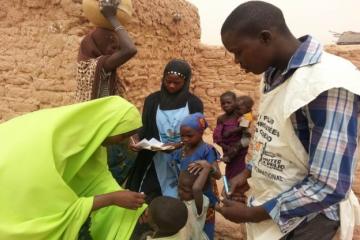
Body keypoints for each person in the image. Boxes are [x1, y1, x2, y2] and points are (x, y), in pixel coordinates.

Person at [216, 1, 360, 240]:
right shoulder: (273, 74)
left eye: (238, 51)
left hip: (309, 222)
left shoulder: (327, 83)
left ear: (265, 38)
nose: (236, 61)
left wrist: (253, 214)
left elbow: (328, 185)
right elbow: (278, 137)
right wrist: (250, 172)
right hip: (273, 202)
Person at [0, 96, 147, 240]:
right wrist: (112, 198)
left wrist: (133, 203)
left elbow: (96, 180)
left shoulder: (89, 139)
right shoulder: (52, 146)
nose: (126, 141)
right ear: (108, 127)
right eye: (123, 136)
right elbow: (57, 213)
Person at [75, 0, 138, 185]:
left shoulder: (99, 68)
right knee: (105, 177)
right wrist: (112, 17)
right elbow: (130, 49)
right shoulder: (97, 66)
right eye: (112, 46)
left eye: (116, 47)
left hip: (106, 130)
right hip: (100, 133)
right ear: (98, 45)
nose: (116, 51)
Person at [126, 59, 204, 200]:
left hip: (184, 159)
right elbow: (145, 127)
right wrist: (136, 139)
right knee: (147, 197)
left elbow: (198, 134)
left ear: (186, 82)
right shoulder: (152, 100)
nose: (171, 86)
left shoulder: (194, 104)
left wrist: (179, 145)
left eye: (177, 83)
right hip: (155, 159)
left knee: (180, 198)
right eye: (168, 81)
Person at [172, 113, 221, 240]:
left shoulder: (207, 150)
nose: (185, 139)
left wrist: (207, 166)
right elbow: (177, 161)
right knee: (190, 231)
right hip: (186, 200)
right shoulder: (184, 149)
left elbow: (218, 174)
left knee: (205, 230)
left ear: (200, 133)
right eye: (182, 136)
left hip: (203, 200)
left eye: (189, 135)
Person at [213, 92, 253, 179]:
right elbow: (217, 136)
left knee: (238, 170)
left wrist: (231, 133)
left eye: (229, 102)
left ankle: (235, 188)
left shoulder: (242, 115)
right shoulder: (221, 119)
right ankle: (231, 188)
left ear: (235, 102)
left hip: (239, 151)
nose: (226, 105)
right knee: (230, 170)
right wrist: (224, 146)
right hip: (227, 150)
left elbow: (244, 130)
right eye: (223, 103)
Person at [178, 169, 212, 240]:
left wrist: (206, 169)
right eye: (179, 187)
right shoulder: (182, 200)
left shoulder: (200, 203)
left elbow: (196, 188)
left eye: (185, 190)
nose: (180, 192)